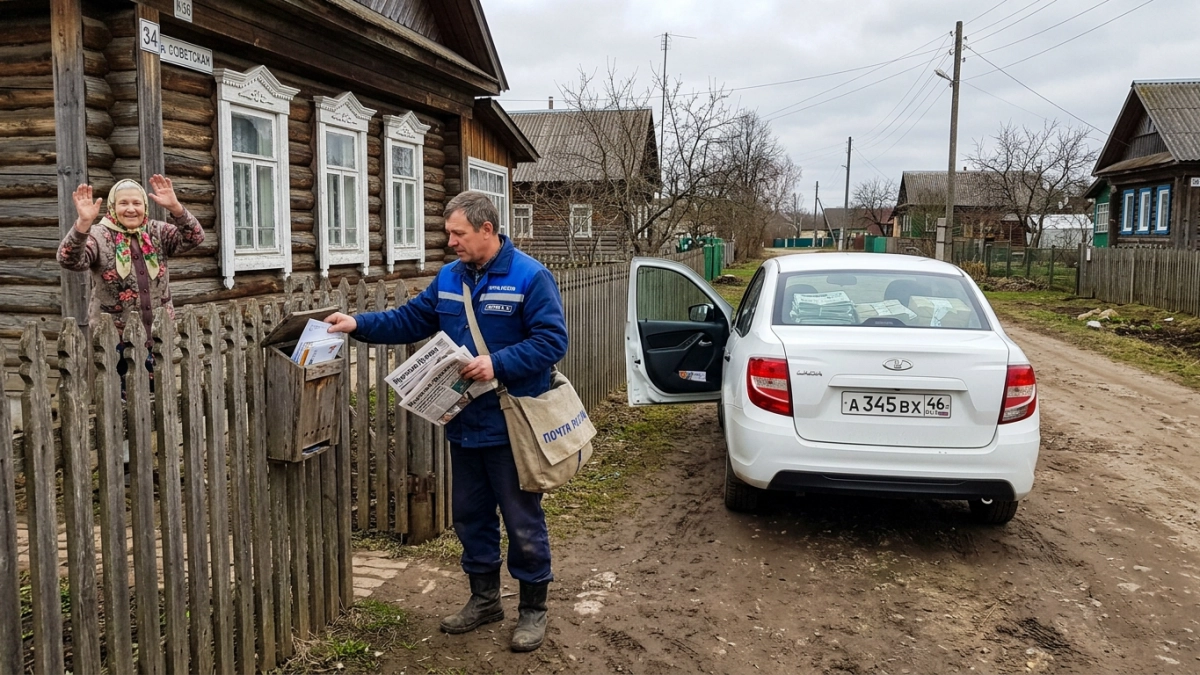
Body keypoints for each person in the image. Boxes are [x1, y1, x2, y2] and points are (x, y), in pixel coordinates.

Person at [325, 191, 568, 653]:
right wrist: (357, 323)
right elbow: (409, 320)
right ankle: (485, 600)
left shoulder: (530, 277)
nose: (450, 241)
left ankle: (533, 609)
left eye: (458, 233)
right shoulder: (449, 278)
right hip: (464, 422)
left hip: (512, 424)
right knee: (470, 516)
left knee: (521, 518)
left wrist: (496, 363)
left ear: (487, 230)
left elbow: (552, 342)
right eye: (449, 233)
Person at [57, 175, 205, 388]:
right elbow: (68, 259)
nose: (131, 209)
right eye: (123, 203)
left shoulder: (157, 232)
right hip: (114, 341)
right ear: (112, 206)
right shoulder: (98, 235)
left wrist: (176, 208)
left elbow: (195, 237)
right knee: (120, 402)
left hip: (159, 336)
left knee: (160, 399)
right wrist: (83, 224)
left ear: (145, 206)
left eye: (136, 203)